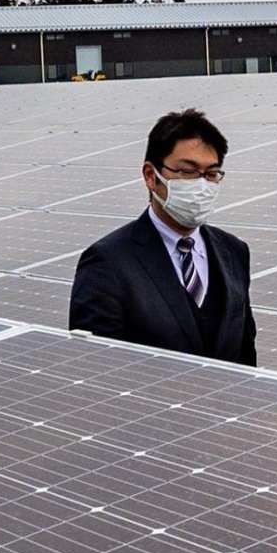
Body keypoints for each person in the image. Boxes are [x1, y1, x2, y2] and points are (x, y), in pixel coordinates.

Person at [69, 107, 255, 365]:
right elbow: (97, 369)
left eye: (211, 174)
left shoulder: (234, 252)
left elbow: (245, 356)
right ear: (150, 176)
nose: (201, 185)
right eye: (188, 172)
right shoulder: (107, 262)